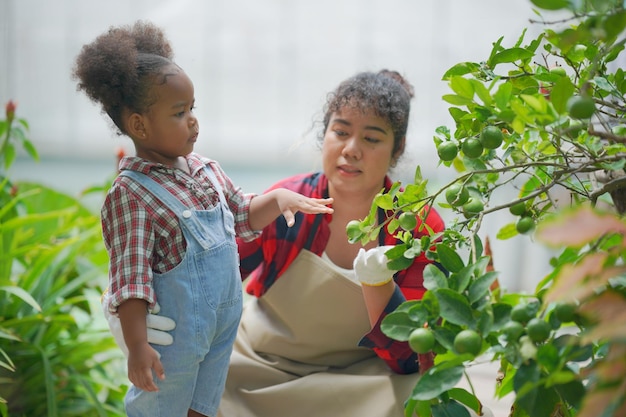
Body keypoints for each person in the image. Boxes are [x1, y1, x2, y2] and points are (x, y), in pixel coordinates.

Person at [108, 70, 448, 415]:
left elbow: (409, 355)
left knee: (419, 396)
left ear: (397, 148)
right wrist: (136, 316)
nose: (351, 150)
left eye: (372, 139)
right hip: (260, 368)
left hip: (358, 379)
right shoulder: (289, 203)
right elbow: (208, 272)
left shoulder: (416, 226)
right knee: (198, 386)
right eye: (341, 132)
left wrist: (379, 284)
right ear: (325, 134)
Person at [73, 21, 333, 417]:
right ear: (139, 124)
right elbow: (131, 279)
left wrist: (277, 199)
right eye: (179, 112)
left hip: (221, 327)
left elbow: (242, 215)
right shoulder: (132, 195)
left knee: (203, 407)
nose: (193, 120)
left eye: (193, 108)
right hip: (174, 338)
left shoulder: (205, 169)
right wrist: (138, 346)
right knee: (161, 407)